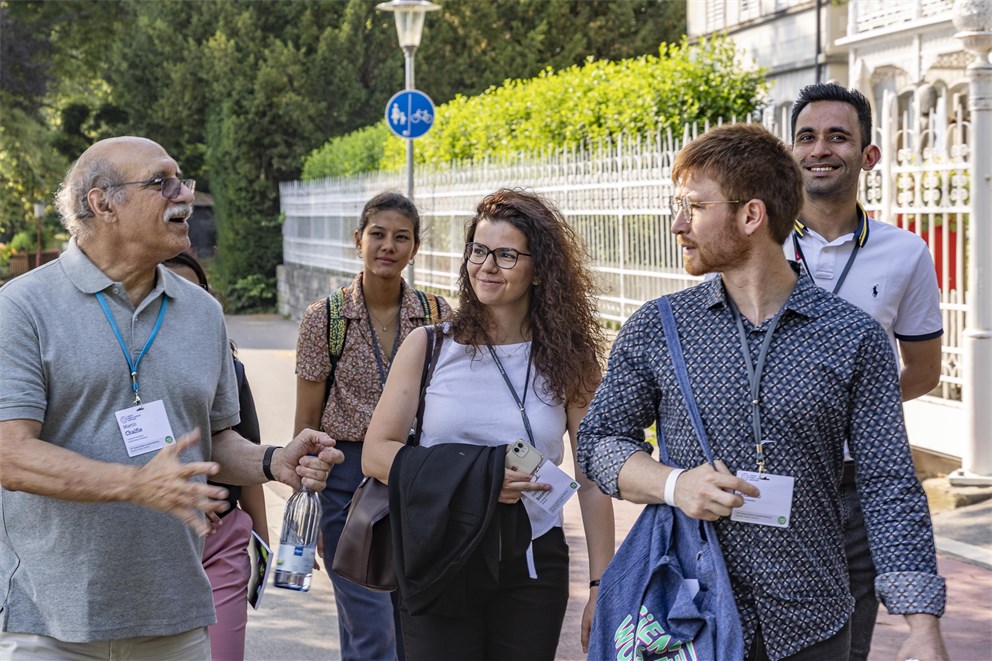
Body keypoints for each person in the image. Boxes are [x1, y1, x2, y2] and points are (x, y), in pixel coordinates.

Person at [577, 124, 948, 661]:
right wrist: (673, 484)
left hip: (811, 619)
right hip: (688, 612)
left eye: (694, 207)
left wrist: (922, 625)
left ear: (751, 216)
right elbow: (598, 441)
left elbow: (889, 482)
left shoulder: (854, 337)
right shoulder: (659, 326)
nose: (678, 225)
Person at [0, 136, 343, 660]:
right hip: (51, 620)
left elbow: (215, 440)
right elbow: (11, 455)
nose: (182, 194)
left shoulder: (203, 311)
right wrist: (135, 484)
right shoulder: (23, 308)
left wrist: (273, 461)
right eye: (162, 182)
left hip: (175, 617)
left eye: (182, 180)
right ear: (103, 203)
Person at [363, 189, 615, 660]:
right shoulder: (430, 345)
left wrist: (603, 581)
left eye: (505, 255)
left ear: (539, 270)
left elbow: (593, 474)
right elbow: (377, 453)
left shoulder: (570, 360)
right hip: (439, 550)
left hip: (532, 561)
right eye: (478, 251)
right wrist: (482, 475)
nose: (486, 266)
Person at [788, 82, 943, 661]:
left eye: (837, 137)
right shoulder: (755, 241)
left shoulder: (905, 253)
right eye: (807, 137)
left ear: (867, 155)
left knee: (848, 646)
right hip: (767, 479)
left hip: (855, 486)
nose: (820, 149)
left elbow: (923, 372)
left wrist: (856, 417)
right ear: (791, 152)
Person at [293, 192, 451, 661]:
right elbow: (305, 424)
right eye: (377, 235)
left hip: (414, 482)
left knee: (407, 628)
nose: (388, 246)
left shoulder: (439, 315)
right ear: (357, 240)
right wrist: (313, 512)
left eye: (401, 237)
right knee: (372, 630)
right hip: (345, 485)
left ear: (415, 248)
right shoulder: (325, 320)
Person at [163, 251, 268, 661]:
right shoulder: (122, 370)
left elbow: (249, 463)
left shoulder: (230, 372)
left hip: (220, 541)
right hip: (153, 545)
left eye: (196, 291)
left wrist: (262, 545)